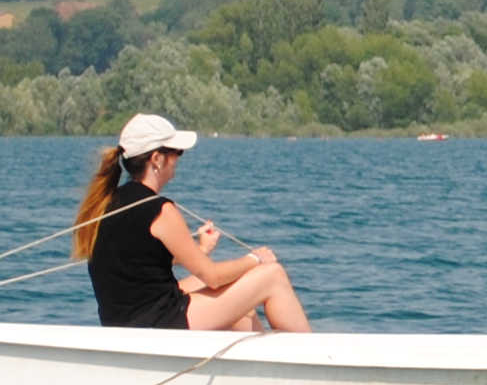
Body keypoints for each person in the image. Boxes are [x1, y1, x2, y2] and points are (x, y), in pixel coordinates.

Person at [76, 114, 313, 332]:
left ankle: (262, 369)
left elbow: (139, 261)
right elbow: (214, 277)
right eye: (176, 152)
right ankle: (309, 362)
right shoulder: (161, 210)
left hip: (128, 319)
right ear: (157, 159)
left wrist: (202, 249)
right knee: (273, 275)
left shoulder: (108, 203)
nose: (179, 158)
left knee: (243, 313)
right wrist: (256, 259)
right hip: (157, 322)